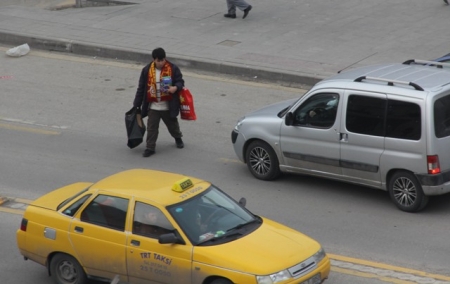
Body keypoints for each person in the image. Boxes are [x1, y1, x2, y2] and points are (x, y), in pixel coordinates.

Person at [133, 47, 185, 158]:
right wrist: (136, 104)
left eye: (163, 60)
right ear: (153, 59)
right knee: (152, 128)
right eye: (158, 60)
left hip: (167, 105)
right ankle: (150, 148)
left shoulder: (173, 68)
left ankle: (178, 138)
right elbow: (141, 88)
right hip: (153, 106)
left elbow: (180, 82)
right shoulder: (147, 70)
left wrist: (175, 88)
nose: (161, 63)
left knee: (173, 125)